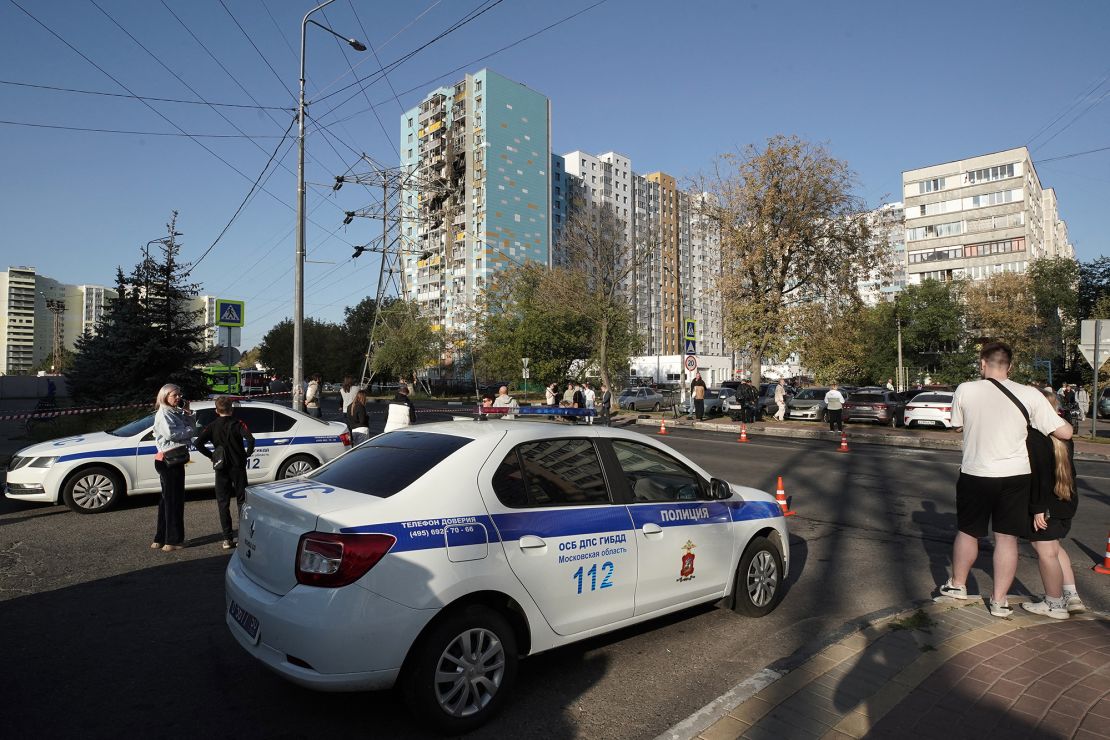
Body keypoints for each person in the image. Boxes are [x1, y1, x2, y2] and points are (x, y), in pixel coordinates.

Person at [938, 342, 1072, 617]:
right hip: (1016, 476)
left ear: (982, 364)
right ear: (1009, 367)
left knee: (968, 531)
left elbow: (957, 425)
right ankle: (999, 601)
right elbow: (1065, 433)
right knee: (1007, 539)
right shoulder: (1030, 394)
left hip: (976, 473)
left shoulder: (966, 389)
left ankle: (958, 586)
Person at [1022, 389, 1085, 619]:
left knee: (1045, 550)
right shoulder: (1064, 436)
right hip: (1065, 500)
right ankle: (1071, 595)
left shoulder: (1035, 438)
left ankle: (1054, 603)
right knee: (1055, 547)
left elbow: (1040, 477)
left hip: (1045, 505)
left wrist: (1038, 509)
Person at [194, 395, 255, 549]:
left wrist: (212, 456)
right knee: (242, 500)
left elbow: (198, 443)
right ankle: (243, 536)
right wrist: (247, 453)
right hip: (237, 466)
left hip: (221, 466)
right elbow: (251, 439)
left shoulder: (212, 425)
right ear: (232, 409)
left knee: (223, 502)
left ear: (216, 410)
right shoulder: (238, 423)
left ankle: (227, 538)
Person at [151, 384, 195, 552]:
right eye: (174, 395)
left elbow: (186, 427)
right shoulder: (164, 413)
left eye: (179, 394)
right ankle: (173, 541)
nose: (178, 398)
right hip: (169, 461)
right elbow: (173, 434)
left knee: (166, 500)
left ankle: (160, 538)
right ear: (164, 396)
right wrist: (190, 430)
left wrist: (189, 413)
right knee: (174, 501)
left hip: (171, 459)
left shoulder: (173, 411)